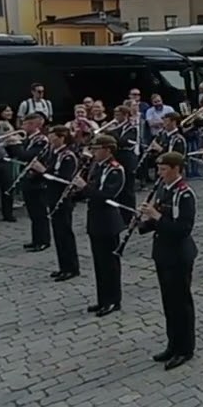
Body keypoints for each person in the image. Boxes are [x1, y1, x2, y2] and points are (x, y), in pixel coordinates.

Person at [138, 152, 197, 370]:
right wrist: (143, 223)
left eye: (163, 169)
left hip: (179, 255)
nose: (160, 173)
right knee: (169, 303)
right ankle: (173, 343)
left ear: (176, 169)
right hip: (163, 252)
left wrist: (156, 217)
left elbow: (183, 228)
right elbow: (160, 217)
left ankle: (185, 348)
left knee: (181, 304)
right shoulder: (164, 189)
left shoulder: (184, 194)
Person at [72, 135, 126, 317]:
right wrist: (77, 191)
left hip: (108, 220)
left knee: (110, 264)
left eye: (97, 149)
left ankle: (113, 300)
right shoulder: (97, 166)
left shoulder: (115, 170)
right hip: (94, 218)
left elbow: (106, 195)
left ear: (108, 150)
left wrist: (85, 187)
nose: (93, 152)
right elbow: (91, 190)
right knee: (99, 263)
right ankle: (103, 298)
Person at [30, 126, 79, 281]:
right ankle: (63, 266)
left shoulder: (67, 156)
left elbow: (63, 178)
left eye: (52, 136)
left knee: (65, 234)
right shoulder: (53, 153)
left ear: (61, 137)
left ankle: (71, 267)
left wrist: (42, 171)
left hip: (62, 198)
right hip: (52, 196)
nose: (49, 139)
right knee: (58, 233)